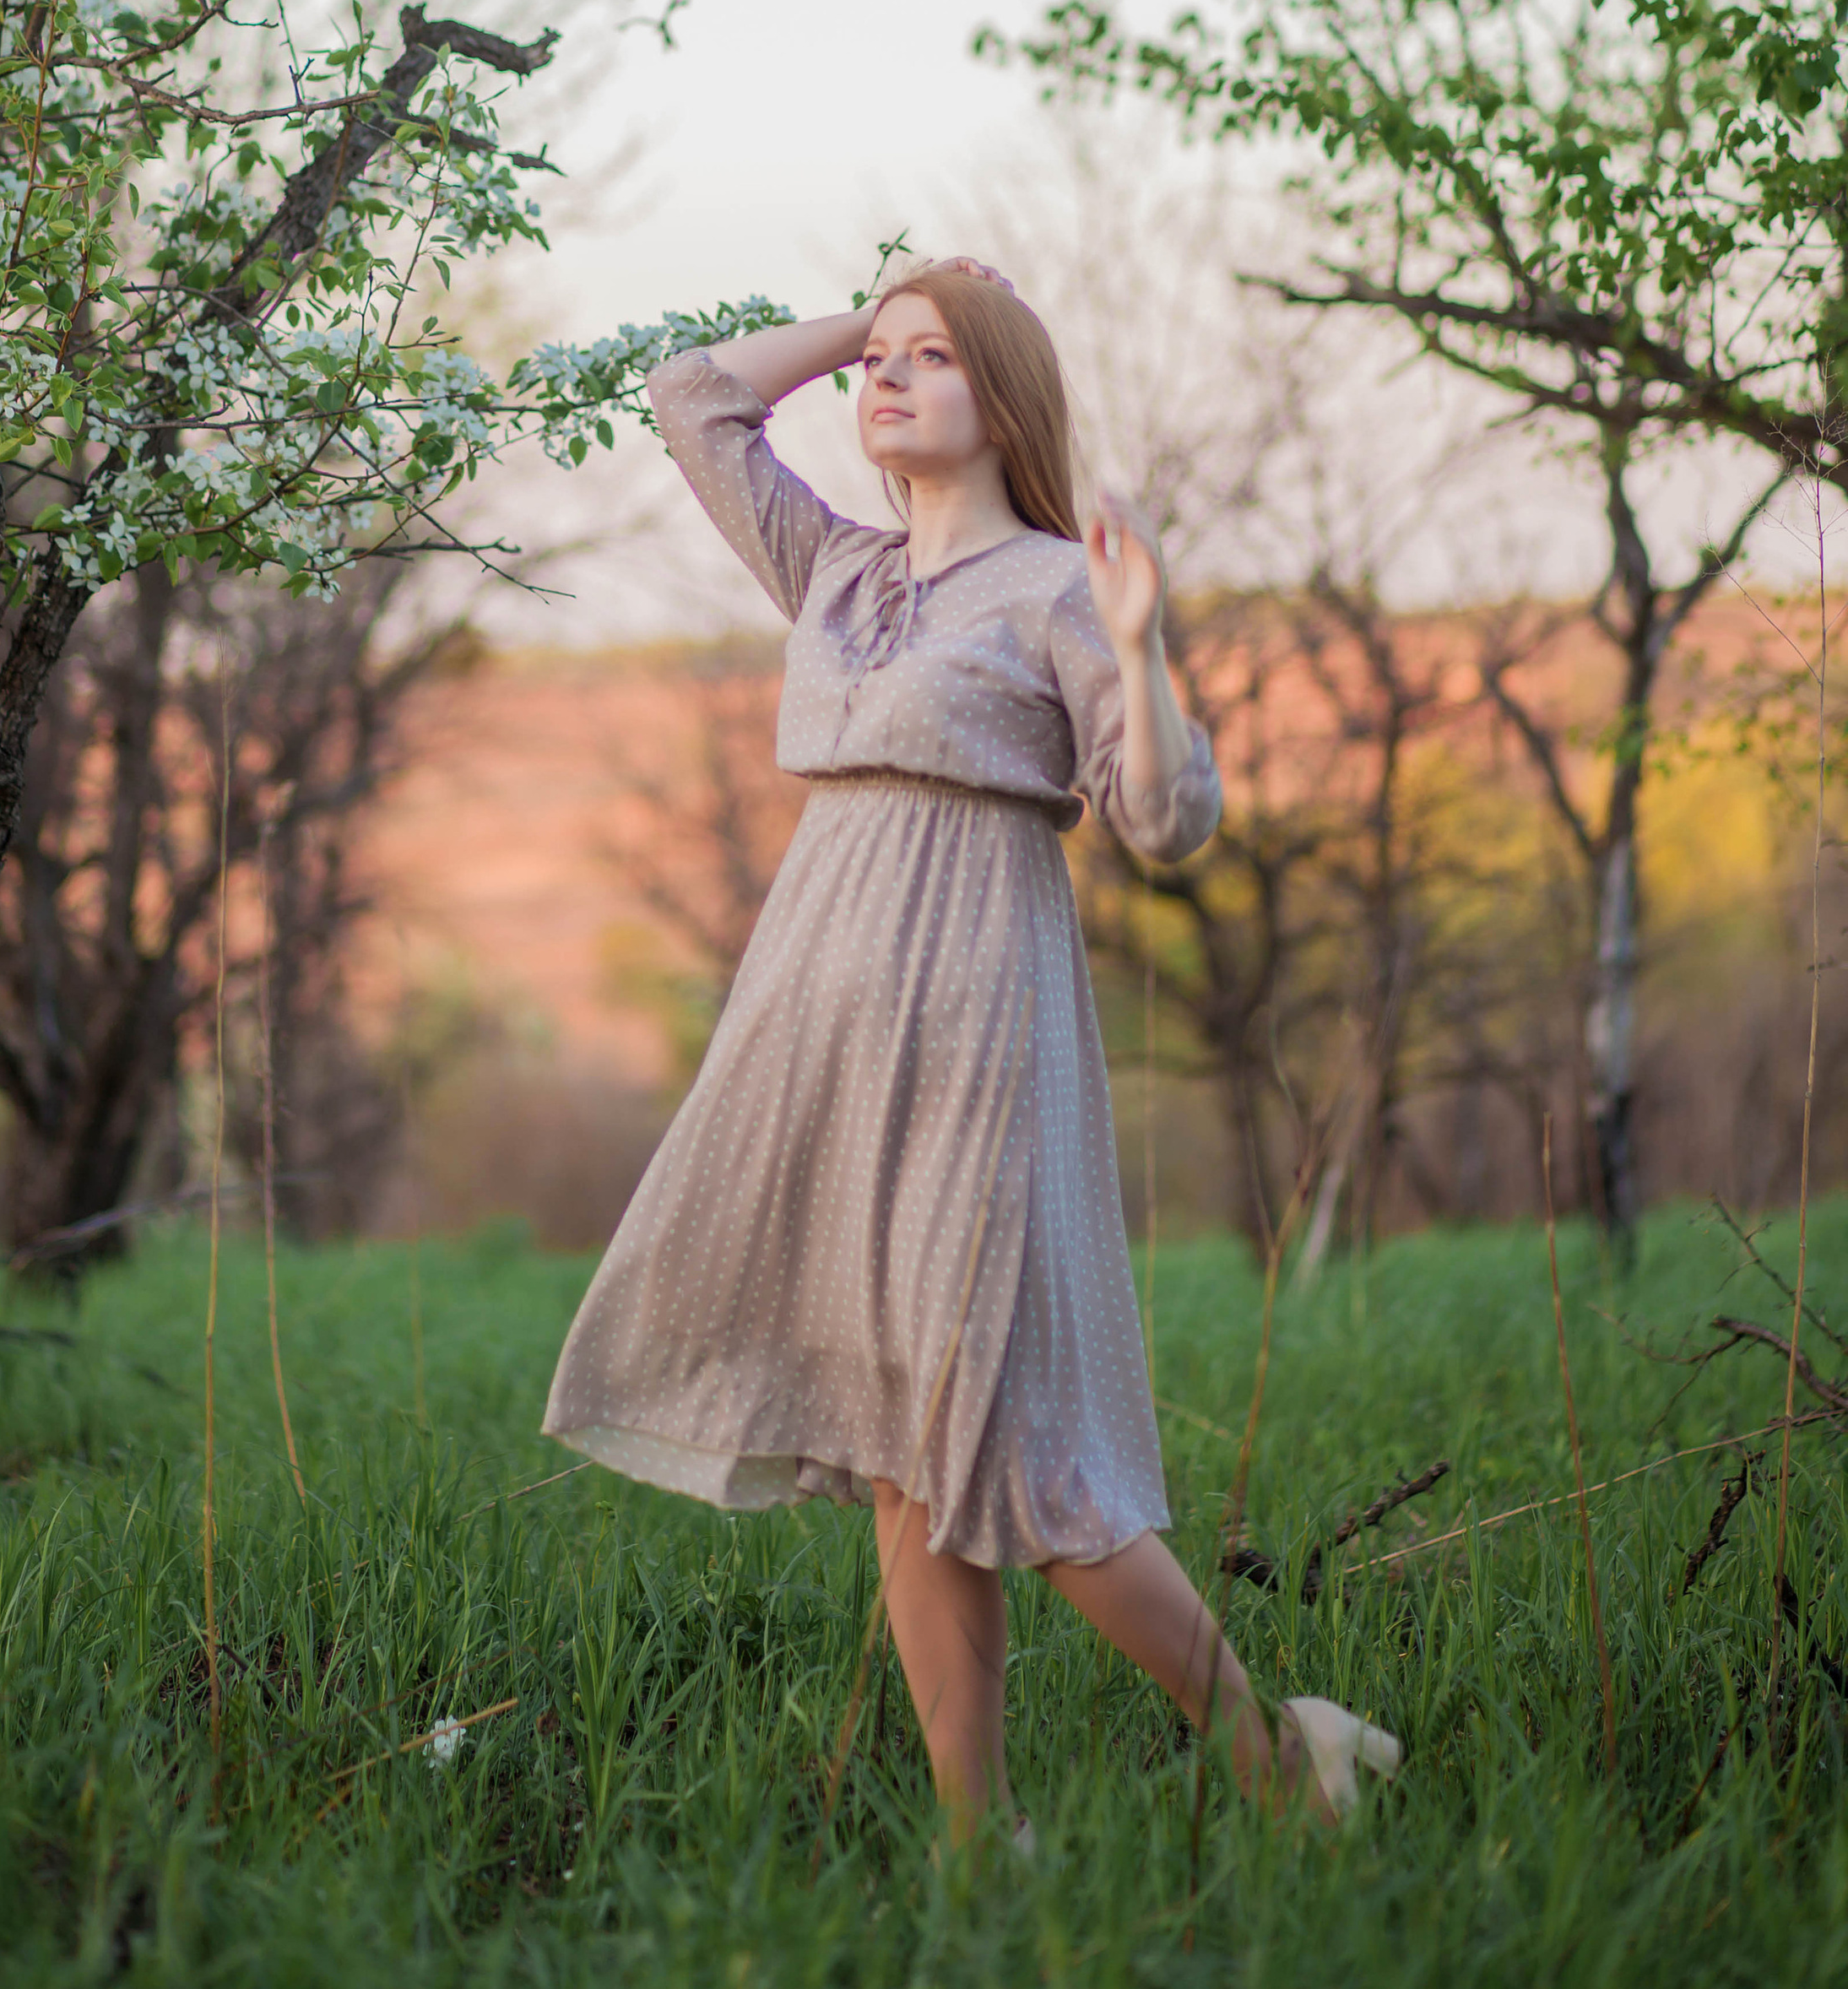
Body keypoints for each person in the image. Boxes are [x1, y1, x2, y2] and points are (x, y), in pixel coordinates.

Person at [544, 261, 1400, 1837]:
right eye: (879, 363)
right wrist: (870, 303)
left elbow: (1164, 820)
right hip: (819, 1008)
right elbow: (692, 395)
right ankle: (977, 1840)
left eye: (931, 360)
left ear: (1002, 399)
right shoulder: (834, 569)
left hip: (979, 1014)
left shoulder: (1065, 590)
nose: (886, 379)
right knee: (900, 1449)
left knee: (1016, 1447)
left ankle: (1279, 1753)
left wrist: (1140, 652)